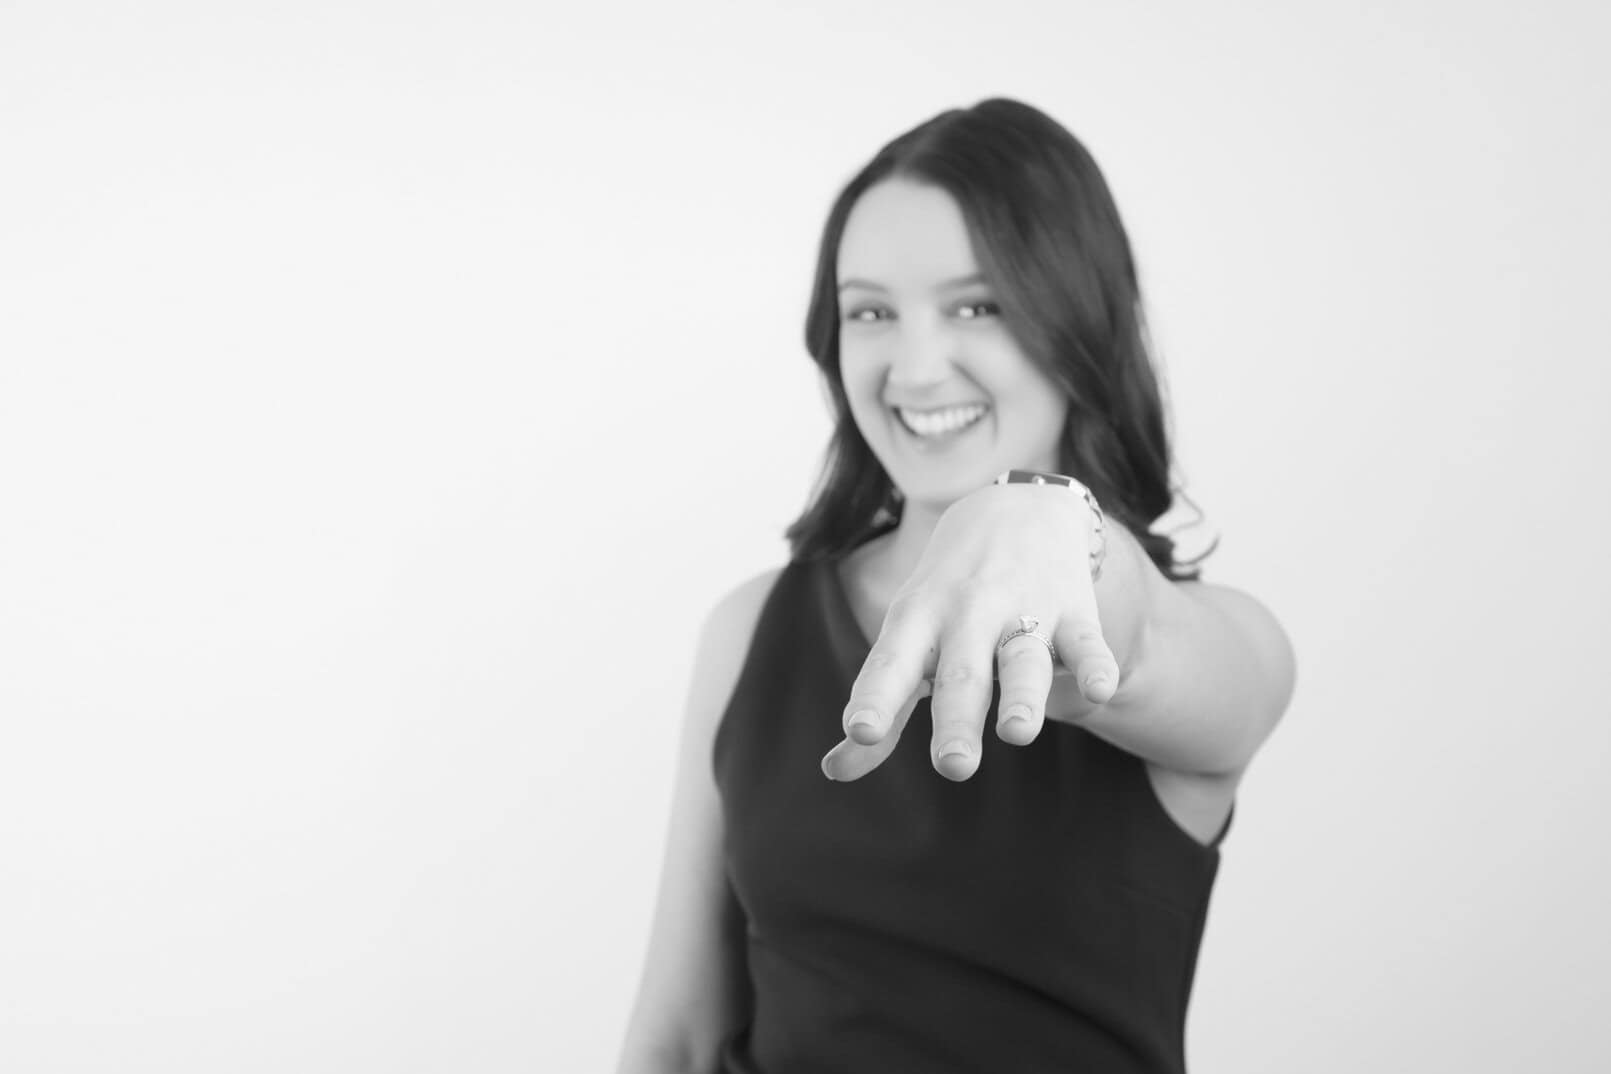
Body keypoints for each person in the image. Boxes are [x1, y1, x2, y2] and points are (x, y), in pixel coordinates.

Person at [616, 97, 1295, 1073]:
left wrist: (1043, 520)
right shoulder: (751, 629)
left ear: (1076, 325)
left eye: (978, 306)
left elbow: (1139, 643)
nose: (917, 365)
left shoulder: (1227, 643)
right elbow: (676, 1037)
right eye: (871, 312)